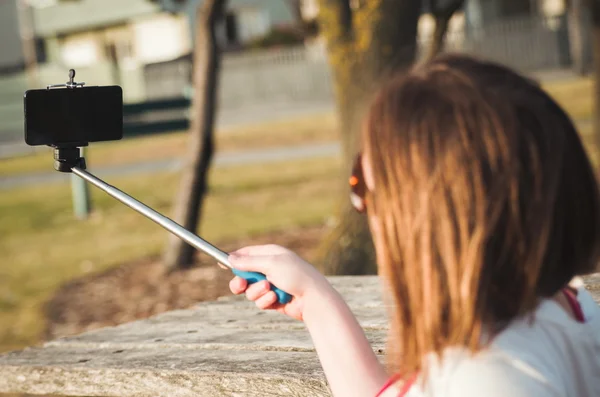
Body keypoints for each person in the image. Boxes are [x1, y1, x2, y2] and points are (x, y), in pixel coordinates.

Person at [225, 54, 600, 397]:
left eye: (363, 187)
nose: (361, 205)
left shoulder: (488, 377)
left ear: (426, 223)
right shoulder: (568, 311)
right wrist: (315, 302)